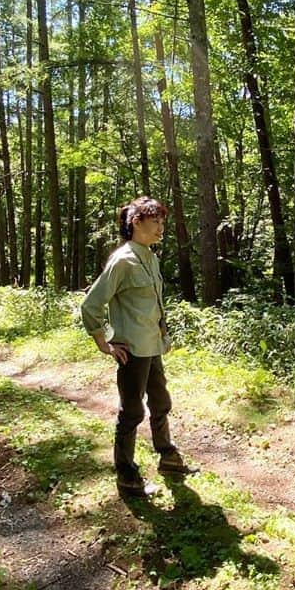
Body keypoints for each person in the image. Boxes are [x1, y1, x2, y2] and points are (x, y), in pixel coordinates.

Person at [81, 196, 195, 498]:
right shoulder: (123, 260)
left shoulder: (149, 255)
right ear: (136, 222)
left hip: (152, 346)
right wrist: (103, 342)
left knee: (161, 402)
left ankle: (168, 457)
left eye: (162, 221)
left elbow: (155, 303)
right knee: (131, 412)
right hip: (131, 349)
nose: (161, 227)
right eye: (154, 221)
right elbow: (91, 304)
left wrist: (163, 334)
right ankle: (128, 477)